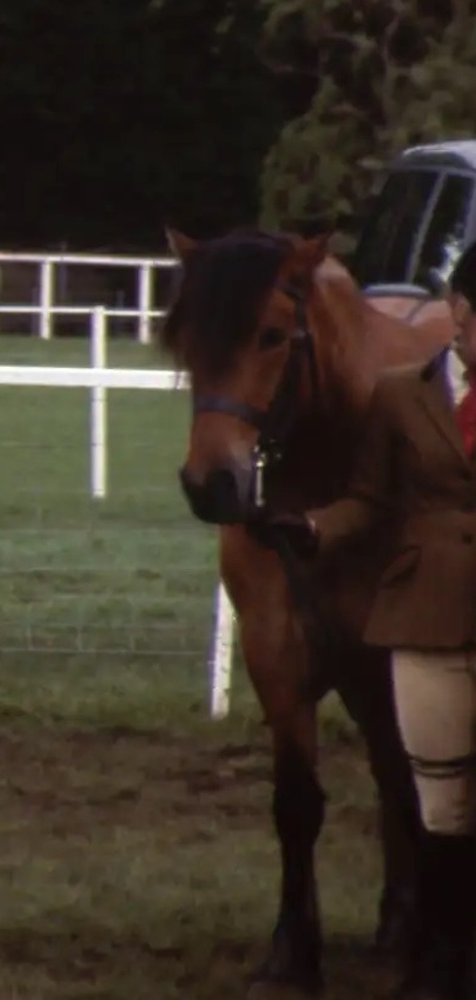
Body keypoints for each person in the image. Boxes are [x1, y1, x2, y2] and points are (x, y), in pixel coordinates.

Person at [276, 247, 476, 998]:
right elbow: (369, 499)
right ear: (459, 313)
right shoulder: (400, 398)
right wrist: (316, 528)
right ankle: (434, 966)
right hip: (425, 613)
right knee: (441, 804)